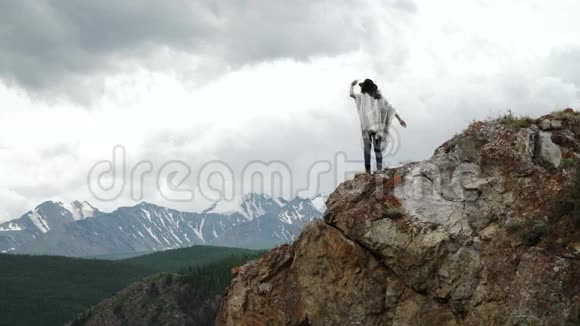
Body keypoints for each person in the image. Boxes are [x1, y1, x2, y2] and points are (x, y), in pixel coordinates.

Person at [350, 79, 406, 174]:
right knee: (373, 149)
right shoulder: (364, 97)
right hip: (369, 128)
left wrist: (400, 119)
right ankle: (374, 170)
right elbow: (390, 108)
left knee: (372, 149)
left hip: (371, 128)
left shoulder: (377, 98)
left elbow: (389, 108)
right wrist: (399, 119)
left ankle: (373, 171)